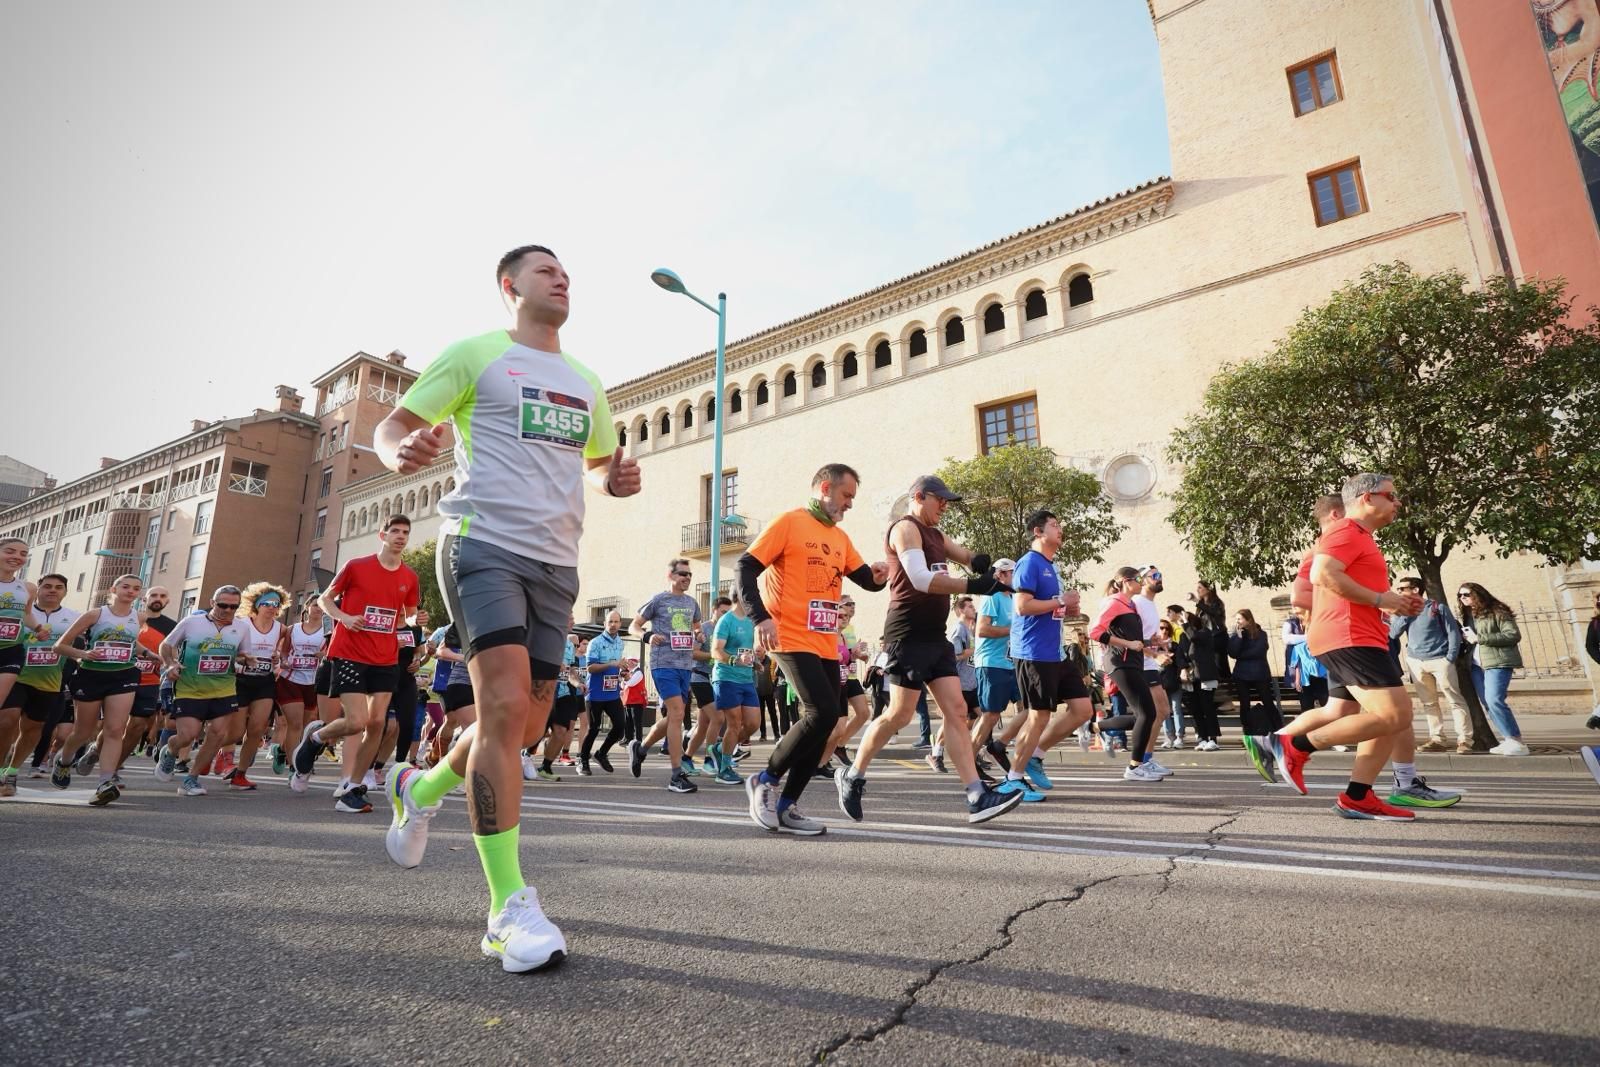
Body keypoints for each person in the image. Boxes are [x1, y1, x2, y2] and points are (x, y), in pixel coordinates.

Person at [374, 242, 639, 973]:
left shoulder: (586, 380)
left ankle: (419, 786)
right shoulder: (477, 354)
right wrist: (399, 451)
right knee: (499, 706)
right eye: (544, 269)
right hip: (481, 543)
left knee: (522, 726)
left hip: (557, 563)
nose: (560, 277)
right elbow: (392, 426)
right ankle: (506, 909)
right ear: (510, 285)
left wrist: (617, 480)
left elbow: (598, 462)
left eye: (566, 271)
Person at [838, 474, 1021, 825]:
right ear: (920, 497)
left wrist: (981, 560)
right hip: (907, 634)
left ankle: (976, 796)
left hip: (936, 637)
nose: (945, 506)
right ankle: (853, 775)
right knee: (898, 715)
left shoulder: (936, 533)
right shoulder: (905, 529)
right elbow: (921, 579)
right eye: (941, 500)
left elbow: (964, 553)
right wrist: (972, 583)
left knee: (955, 710)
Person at [1259, 475, 1434, 818]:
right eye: (1391, 496)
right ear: (1368, 498)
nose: (1398, 503)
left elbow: (1348, 588)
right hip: (1349, 637)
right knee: (1396, 715)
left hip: (1358, 634)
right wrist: (1380, 598)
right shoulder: (1345, 530)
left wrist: (1390, 603)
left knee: (1384, 719)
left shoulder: (1360, 537)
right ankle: (1291, 745)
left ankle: (1358, 795)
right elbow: (1322, 574)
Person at [735, 463, 887, 834]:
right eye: (846, 495)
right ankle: (765, 780)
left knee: (828, 722)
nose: (850, 503)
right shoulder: (790, 522)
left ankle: (788, 806)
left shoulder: (839, 537)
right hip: (787, 634)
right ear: (825, 488)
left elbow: (865, 579)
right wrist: (760, 618)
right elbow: (745, 566)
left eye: (852, 497)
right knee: (819, 712)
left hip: (825, 642)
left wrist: (879, 576)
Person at [295, 515, 419, 813]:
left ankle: (352, 786)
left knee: (378, 723)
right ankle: (316, 738)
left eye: (405, 532)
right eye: (395, 531)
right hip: (349, 652)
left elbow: (407, 617)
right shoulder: (357, 566)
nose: (400, 536)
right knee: (356, 722)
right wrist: (345, 618)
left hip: (385, 657)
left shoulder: (409, 577)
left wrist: (415, 620)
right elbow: (325, 600)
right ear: (382, 535)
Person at [1000, 510, 1093, 800]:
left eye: (1059, 524)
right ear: (1038, 532)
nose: (1060, 529)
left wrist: (1067, 609)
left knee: (1083, 709)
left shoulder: (1051, 566)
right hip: (1033, 651)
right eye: (1054, 525)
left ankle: (1036, 755)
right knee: (1039, 715)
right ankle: (1013, 779)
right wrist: (1058, 601)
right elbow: (1022, 607)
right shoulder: (1029, 563)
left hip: (1054, 652)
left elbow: (1051, 608)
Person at [48, 574, 145, 804]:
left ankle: (105, 782)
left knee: (114, 729)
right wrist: (83, 654)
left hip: (123, 675)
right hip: (91, 676)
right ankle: (64, 760)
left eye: (136, 588)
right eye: (125, 587)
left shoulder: (139, 617)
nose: (130, 591)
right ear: (114, 589)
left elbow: (129, 642)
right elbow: (59, 645)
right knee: (83, 731)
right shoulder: (95, 614)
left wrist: (150, 654)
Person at [154, 585, 255, 798]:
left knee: (217, 734)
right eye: (223, 605)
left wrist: (247, 659)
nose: (228, 610)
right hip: (190, 687)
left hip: (224, 687)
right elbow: (166, 644)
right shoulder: (192, 622)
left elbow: (242, 654)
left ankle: (192, 779)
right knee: (187, 735)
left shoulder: (242, 627)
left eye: (233, 607)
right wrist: (171, 664)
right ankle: (170, 750)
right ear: (212, 603)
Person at [628, 560, 704, 793]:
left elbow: (697, 627)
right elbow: (634, 626)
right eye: (683, 574)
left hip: (684, 665)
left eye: (690, 575)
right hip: (663, 664)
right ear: (670, 575)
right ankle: (675, 775)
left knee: (674, 715)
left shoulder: (692, 603)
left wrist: (699, 636)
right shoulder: (658, 600)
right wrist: (647, 636)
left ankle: (641, 749)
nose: (687, 578)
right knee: (678, 713)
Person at [1090, 567, 1170, 782]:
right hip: (1119, 664)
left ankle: (1098, 726)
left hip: (1132, 664)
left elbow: (1132, 639)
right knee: (1147, 714)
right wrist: (1127, 643)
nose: (1141, 582)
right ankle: (1135, 767)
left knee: (1145, 715)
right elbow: (1095, 632)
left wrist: (1150, 643)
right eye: (1137, 579)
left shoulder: (1131, 604)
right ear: (1126, 581)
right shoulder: (1114, 602)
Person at [0, 572, 75, 795]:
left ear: (65, 592)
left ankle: (11, 772)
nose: (53, 590)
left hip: (49, 682)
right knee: (6, 720)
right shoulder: (23, 608)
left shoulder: (73, 617)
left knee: (34, 729)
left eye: (59, 587)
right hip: (16, 674)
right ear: (38, 589)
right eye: (48, 586)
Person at [1388, 578, 1471, 753]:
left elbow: (1453, 634)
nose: (1399, 592)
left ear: (1416, 590)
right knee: (1429, 703)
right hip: (1416, 662)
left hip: (1440, 660)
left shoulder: (1437, 608)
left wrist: (1450, 657)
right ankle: (1437, 739)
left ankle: (1465, 740)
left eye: (1403, 589)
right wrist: (1405, 614)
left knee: (1454, 700)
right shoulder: (1401, 612)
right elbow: (1394, 634)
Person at [1458, 582, 1528, 756]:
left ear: (1478, 593)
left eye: (1466, 594)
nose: (1462, 598)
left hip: (1498, 662)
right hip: (1476, 664)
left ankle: (1517, 741)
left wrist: (1479, 638)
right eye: (1460, 596)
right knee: (1488, 703)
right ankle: (1508, 739)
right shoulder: (1468, 615)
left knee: (1495, 699)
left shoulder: (1497, 611)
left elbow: (1513, 635)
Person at [972, 559, 1017, 772]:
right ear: (1001, 574)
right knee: (991, 714)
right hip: (991, 663)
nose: (1017, 576)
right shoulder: (992, 597)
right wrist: (1014, 630)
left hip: (1011, 663)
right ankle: (969, 761)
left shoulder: (1015, 599)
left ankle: (1001, 747)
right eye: (1013, 572)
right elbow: (982, 630)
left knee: (1032, 708)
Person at [710, 591, 759, 785]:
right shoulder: (726, 620)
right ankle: (724, 769)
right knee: (734, 723)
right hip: (726, 678)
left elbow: (748, 650)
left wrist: (755, 662)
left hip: (746, 678)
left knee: (753, 723)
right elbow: (715, 651)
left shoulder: (751, 621)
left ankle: (721, 749)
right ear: (741, 596)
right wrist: (734, 660)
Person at [273, 601, 326, 778]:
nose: (318, 608)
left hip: (313, 682)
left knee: (306, 727)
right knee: (294, 725)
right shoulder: (293, 629)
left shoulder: (329, 629)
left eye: (321, 605)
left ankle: (282, 750)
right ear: (307, 608)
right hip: (291, 680)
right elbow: (284, 652)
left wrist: (324, 655)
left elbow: (335, 651)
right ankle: (294, 767)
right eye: (314, 605)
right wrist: (284, 661)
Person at [0, 537, 41, 746]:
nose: (17, 557)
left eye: (23, 554)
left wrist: (38, 627)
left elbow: (25, 614)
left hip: (10, 650)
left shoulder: (28, 588)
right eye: (10, 551)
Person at [580, 610, 627, 774]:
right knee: (594, 729)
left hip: (613, 693)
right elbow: (590, 668)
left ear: (620, 624)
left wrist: (623, 672)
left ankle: (601, 754)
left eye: (616, 622)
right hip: (595, 693)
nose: (613, 625)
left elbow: (617, 667)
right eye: (610, 622)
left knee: (621, 727)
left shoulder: (620, 643)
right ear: (604, 624)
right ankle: (583, 761)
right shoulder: (595, 643)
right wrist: (612, 664)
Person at [1228, 608, 1282, 736]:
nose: (1238, 622)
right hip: (1242, 674)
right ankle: (1247, 730)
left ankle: (1277, 727)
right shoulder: (1236, 635)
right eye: (1236, 620)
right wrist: (1239, 639)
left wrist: (1241, 655)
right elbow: (1232, 653)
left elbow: (1259, 652)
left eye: (1240, 619)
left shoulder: (1260, 634)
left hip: (1259, 673)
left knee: (1267, 700)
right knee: (1244, 703)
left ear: (1248, 619)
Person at [1181, 610, 1221, 749]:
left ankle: (1213, 738)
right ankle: (1202, 737)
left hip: (1206, 676)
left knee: (1207, 707)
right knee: (1197, 709)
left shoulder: (1204, 633)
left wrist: (1185, 623)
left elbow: (1194, 637)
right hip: (1194, 678)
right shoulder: (1188, 637)